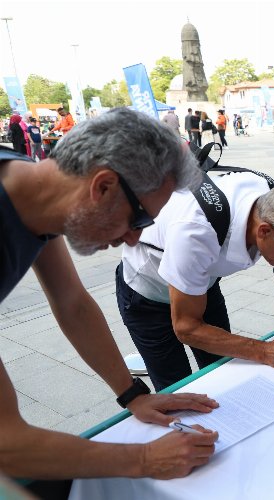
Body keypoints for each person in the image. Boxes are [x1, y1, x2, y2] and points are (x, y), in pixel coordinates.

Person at [0, 107, 220, 481]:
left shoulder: (31, 192)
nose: (134, 240)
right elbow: (7, 445)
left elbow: (72, 302)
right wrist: (144, 460)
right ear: (102, 186)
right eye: (139, 220)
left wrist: (132, 394)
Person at [117, 177, 274, 391]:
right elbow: (187, 327)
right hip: (148, 296)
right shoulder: (196, 232)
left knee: (224, 370)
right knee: (177, 389)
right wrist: (264, 351)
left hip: (201, 280)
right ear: (265, 231)